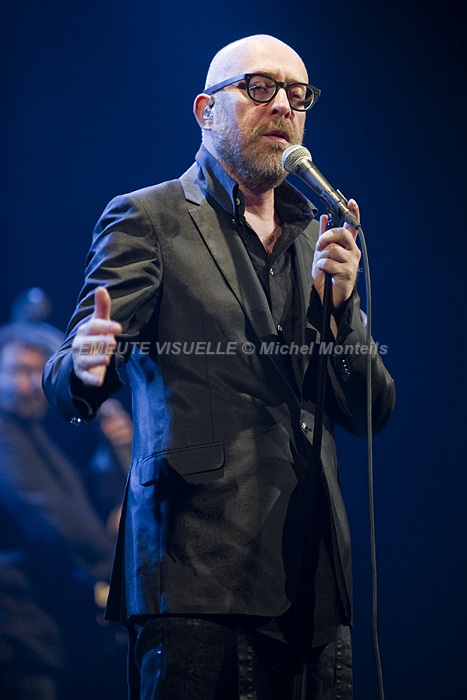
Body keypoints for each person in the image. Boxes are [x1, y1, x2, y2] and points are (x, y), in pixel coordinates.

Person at [43, 34, 396, 700]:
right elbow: (67, 372)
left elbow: (372, 411)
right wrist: (87, 365)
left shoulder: (318, 236)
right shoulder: (148, 218)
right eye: (259, 87)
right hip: (195, 579)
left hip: (315, 586)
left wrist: (340, 314)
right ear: (206, 110)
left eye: (298, 95)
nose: (283, 105)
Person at [0, 322, 130, 700]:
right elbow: (53, 518)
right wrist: (116, 570)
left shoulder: (32, 431)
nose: (30, 385)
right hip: (19, 636)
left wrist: (111, 452)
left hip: (42, 630)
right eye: (17, 371)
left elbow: (81, 505)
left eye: (37, 373)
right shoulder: (5, 436)